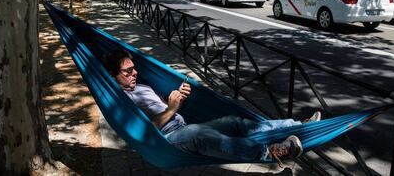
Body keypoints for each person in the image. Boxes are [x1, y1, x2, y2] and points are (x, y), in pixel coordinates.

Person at [103, 50, 321, 166]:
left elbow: (161, 107)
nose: (135, 73)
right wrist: (171, 109)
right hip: (167, 141)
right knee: (200, 134)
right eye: (128, 72)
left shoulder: (141, 86)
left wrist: (178, 98)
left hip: (182, 127)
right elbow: (144, 130)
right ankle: (270, 153)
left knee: (234, 122)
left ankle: (296, 127)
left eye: (134, 69)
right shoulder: (119, 102)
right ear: (113, 75)